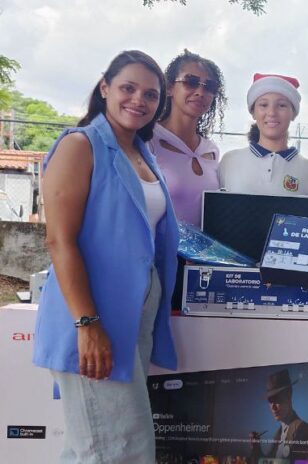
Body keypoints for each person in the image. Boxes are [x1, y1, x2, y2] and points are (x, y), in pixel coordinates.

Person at [32, 50, 179, 463]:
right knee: (120, 451)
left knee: (92, 448)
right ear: (105, 88)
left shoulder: (140, 153)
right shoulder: (80, 145)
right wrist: (88, 324)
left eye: (150, 95)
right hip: (94, 317)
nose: (139, 100)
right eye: (127, 88)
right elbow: (60, 241)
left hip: (132, 319)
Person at [148, 49, 226, 227]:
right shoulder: (147, 140)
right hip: (158, 253)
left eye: (209, 86)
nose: (200, 91)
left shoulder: (211, 150)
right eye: (190, 82)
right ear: (169, 88)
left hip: (199, 254)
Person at [218, 73, 308, 196]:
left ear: (293, 113)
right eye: (263, 105)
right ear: (253, 112)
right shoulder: (230, 161)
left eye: (282, 105)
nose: (272, 112)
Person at [250, 369, 308, 462]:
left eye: (277, 399)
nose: (273, 407)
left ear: (289, 396)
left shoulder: (302, 428)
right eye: (270, 401)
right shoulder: (278, 434)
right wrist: (256, 447)